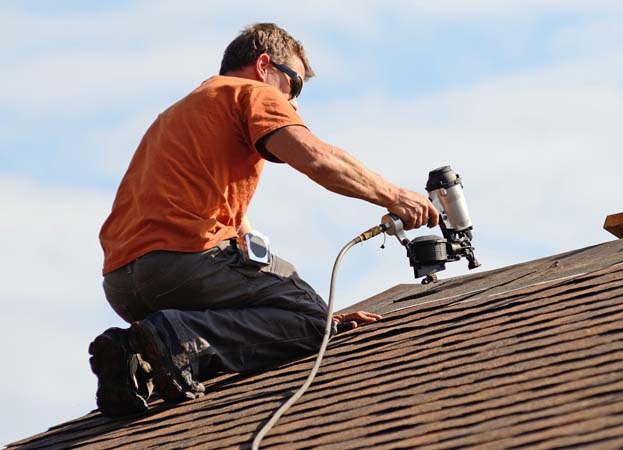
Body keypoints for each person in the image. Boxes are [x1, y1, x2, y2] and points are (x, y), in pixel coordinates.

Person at [90, 23, 439, 418]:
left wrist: (304, 312)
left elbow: (236, 233)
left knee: (301, 313)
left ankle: (138, 359)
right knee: (312, 323)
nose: (294, 102)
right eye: (295, 86)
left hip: (122, 284)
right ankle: (177, 336)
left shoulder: (179, 114)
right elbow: (317, 159)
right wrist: (395, 196)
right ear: (263, 65)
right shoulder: (251, 93)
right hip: (183, 263)